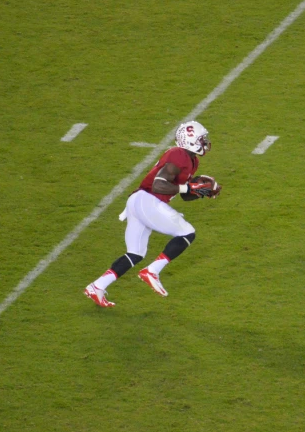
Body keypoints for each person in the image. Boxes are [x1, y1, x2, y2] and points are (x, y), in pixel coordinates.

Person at [84, 121, 220, 307]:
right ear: (190, 140)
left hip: (141, 202)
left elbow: (182, 194)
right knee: (187, 232)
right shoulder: (179, 154)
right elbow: (159, 184)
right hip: (147, 200)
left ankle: (97, 286)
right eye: (201, 139)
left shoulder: (191, 160)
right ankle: (152, 271)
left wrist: (200, 192)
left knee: (135, 253)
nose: (205, 142)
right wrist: (189, 186)